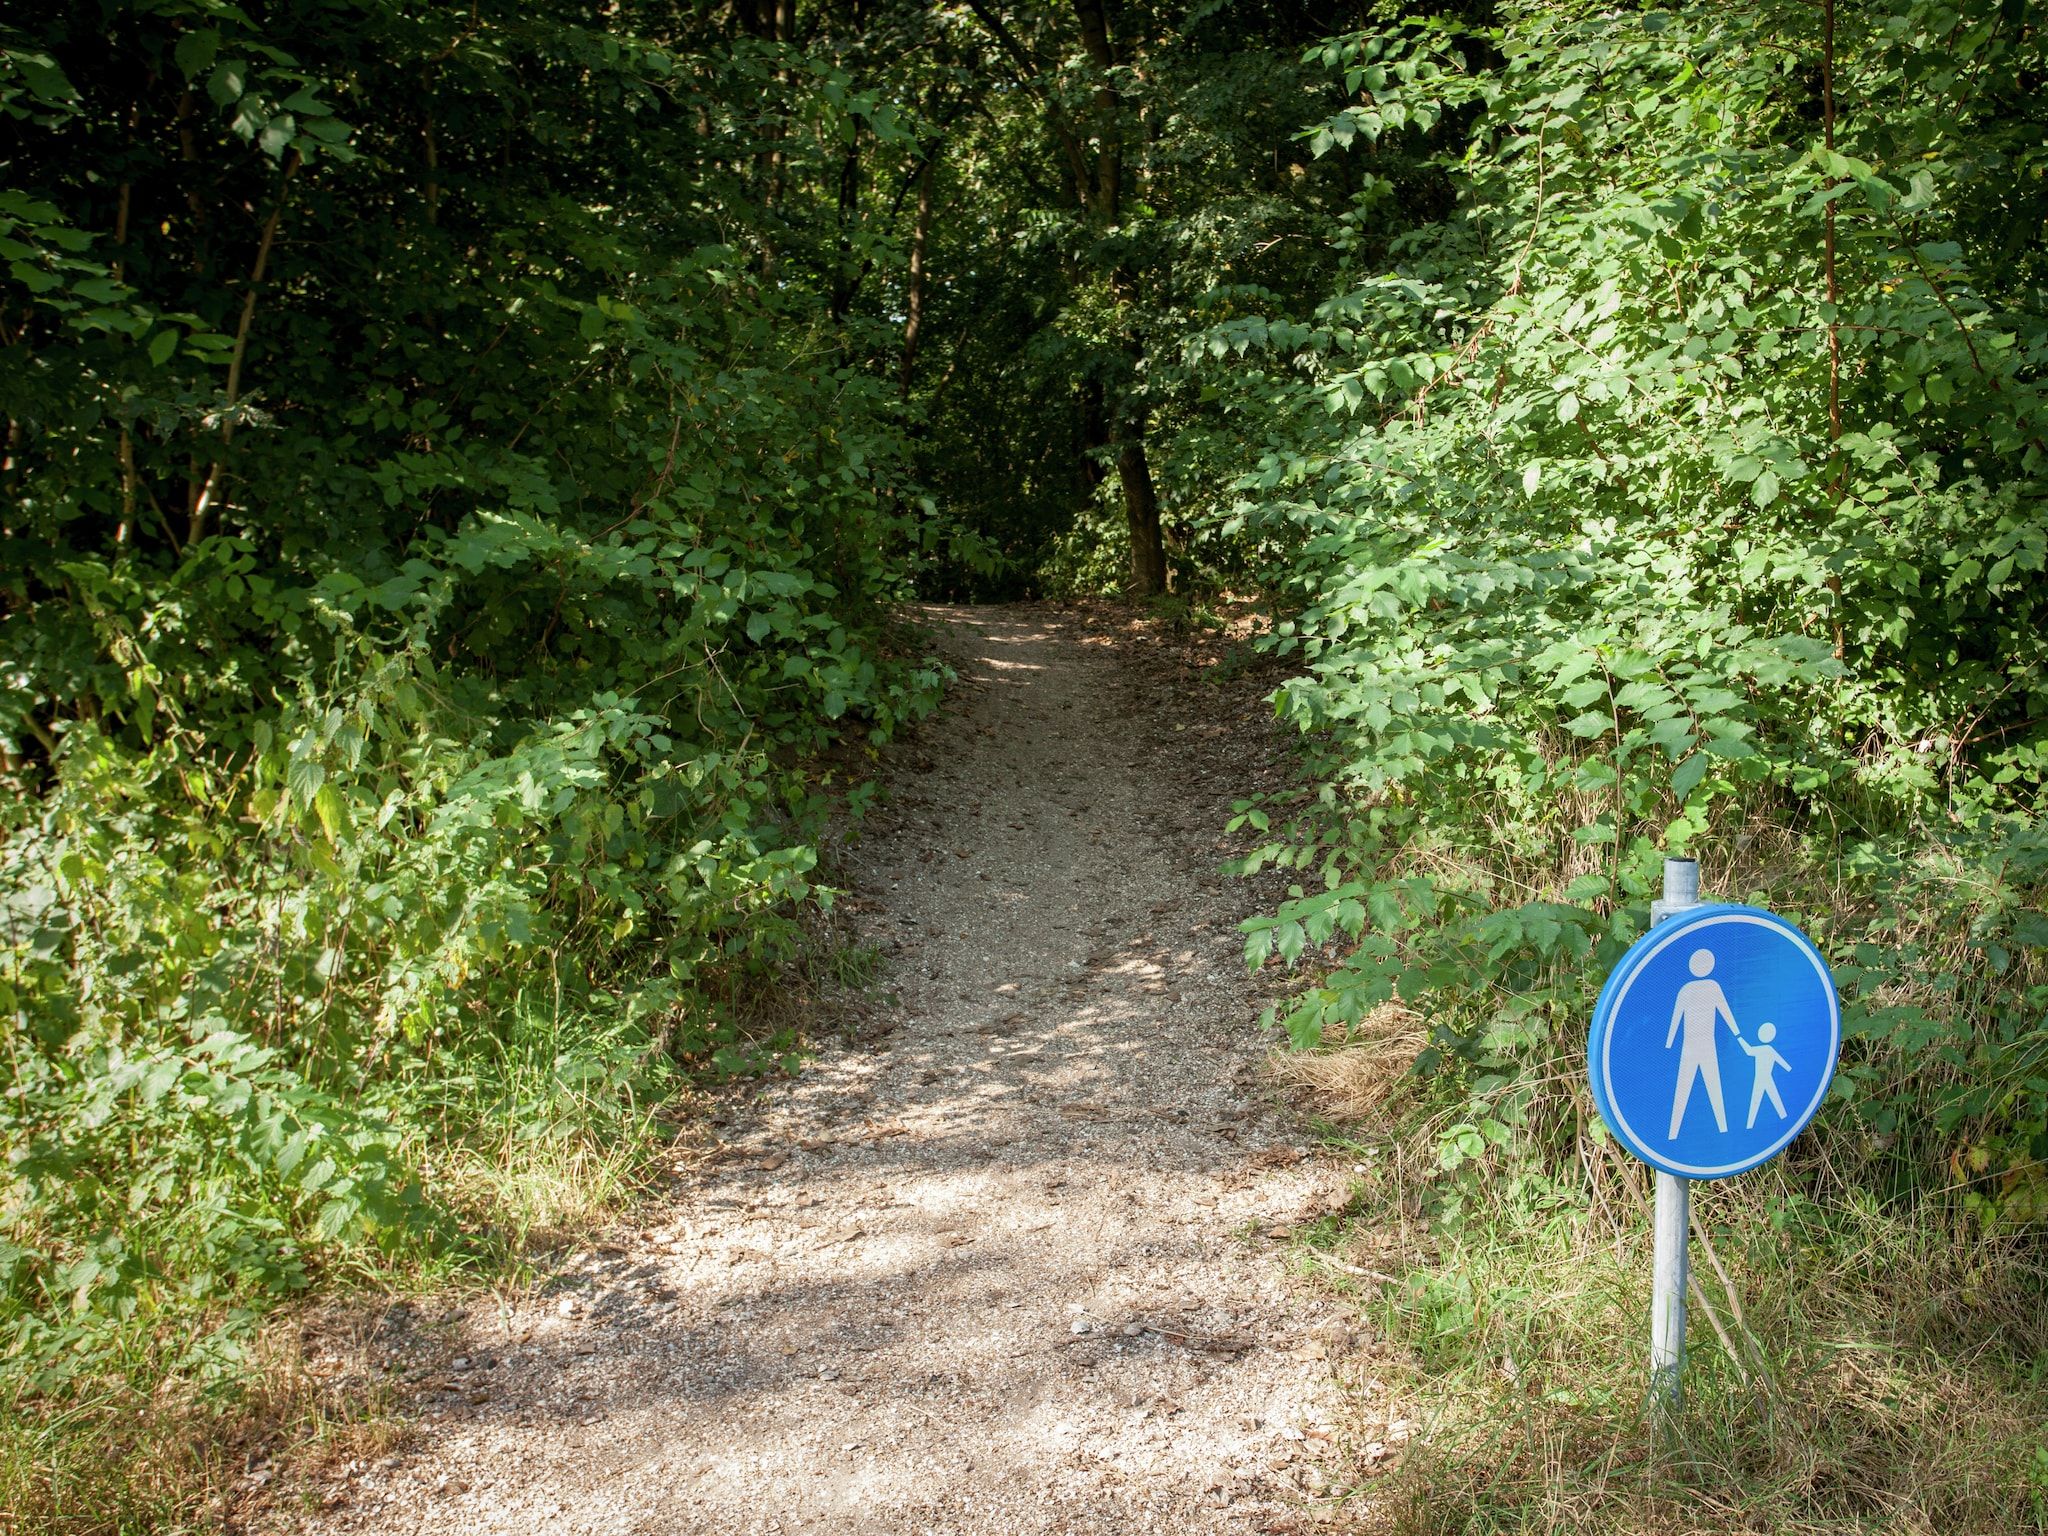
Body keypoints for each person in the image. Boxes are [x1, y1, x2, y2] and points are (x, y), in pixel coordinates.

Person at [1666, 948, 1742, 1139]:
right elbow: (1726, 1013)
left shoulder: (1693, 988)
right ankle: (1676, 1132)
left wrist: (1669, 1043)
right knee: (1705, 1085)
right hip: (1697, 1045)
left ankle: (1719, 1129)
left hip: (1698, 1045)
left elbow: (1725, 1012)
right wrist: (1738, 1034)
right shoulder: (1709, 987)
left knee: (1701, 1085)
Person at [1735, 1022, 1791, 1129]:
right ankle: (1782, 1117)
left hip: (1762, 1078)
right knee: (1772, 1098)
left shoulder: (1765, 1049)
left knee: (1757, 1100)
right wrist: (1788, 1069)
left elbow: (1748, 1050)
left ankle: (1750, 1124)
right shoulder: (1768, 1049)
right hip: (1764, 1078)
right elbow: (1781, 1061)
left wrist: (1739, 1038)